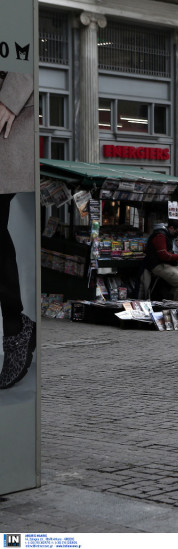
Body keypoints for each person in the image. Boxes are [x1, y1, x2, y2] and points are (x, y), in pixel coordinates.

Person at [0, 72, 36, 390]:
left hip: (7, 124)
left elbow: (28, 52)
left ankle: (15, 327)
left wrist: (10, 97)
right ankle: (17, 325)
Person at [143, 218, 178, 300]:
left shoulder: (166, 235)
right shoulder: (160, 236)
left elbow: (168, 254)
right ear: (171, 228)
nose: (177, 234)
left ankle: (171, 298)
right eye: (177, 231)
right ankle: (175, 307)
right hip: (159, 265)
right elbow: (164, 255)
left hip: (164, 264)